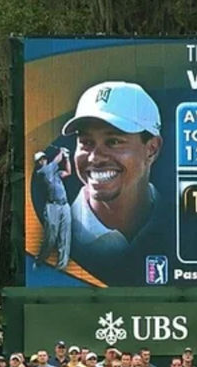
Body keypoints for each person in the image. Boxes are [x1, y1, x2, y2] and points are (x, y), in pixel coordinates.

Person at [62, 81, 166, 287]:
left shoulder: (184, 225)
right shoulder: (52, 237)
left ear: (152, 148)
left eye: (114, 142)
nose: (95, 158)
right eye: (86, 143)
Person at [32, 147, 73, 270]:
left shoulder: (54, 173)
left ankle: (61, 266)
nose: (42, 161)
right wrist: (61, 152)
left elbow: (68, 172)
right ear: (37, 163)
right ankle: (40, 260)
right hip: (52, 207)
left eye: (43, 158)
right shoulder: (43, 172)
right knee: (51, 238)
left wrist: (67, 158)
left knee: (65, 236)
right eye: (40, 160)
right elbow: (55, 161)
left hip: (64, 205)